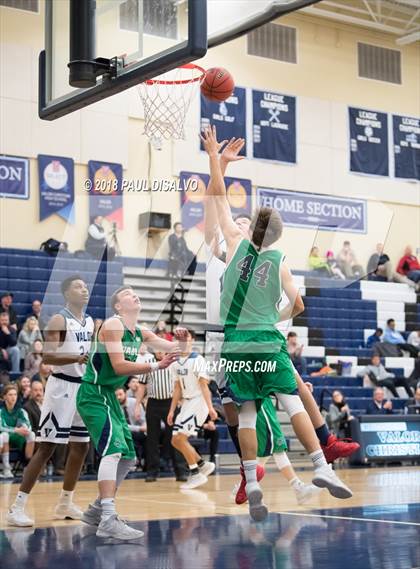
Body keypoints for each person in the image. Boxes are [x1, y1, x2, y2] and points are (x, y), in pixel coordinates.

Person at [201, 125, 352, 521]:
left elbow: (217, 197)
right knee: (290, 402)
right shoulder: (280, 259)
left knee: (246, 414)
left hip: (235, 343)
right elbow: (299, 304)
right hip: (268, 339)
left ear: (251, 229)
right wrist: (277, 315)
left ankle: (251, 480)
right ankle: (321, 466)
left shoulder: (234, 243)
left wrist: (216, 160)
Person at [77, 285, 186, 540]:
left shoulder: (139, 331)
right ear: (118, 306)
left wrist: (180, 341)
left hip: (108, 398)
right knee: (113, 451)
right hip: (94, 393)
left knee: (128, 458)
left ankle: (96, 511)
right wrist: (156, 364)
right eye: (128, 293)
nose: (134, 294)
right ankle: (107, 519)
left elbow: (170, 348)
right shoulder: (113, 326)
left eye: (136, 292)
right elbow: (118, 365)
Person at [7, 275, 94, 527]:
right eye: (78, 286)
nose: (84, 289)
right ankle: (17, 507)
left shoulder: (88, 321)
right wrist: (76, 359)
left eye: (86, 285)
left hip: (82, 389)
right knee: (46, 447)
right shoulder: (59, 319)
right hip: (61, 388)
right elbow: (48, 357)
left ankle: (65, 502)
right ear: (67, 294)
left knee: (81, 446)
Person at [167, 329, 217, 489]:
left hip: (199, 401)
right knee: (175, 441)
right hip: (186, 403)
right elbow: (177, 388)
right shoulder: (174, 363)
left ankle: (195, 474)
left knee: (181, 438)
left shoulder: (198, 359)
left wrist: (210, 408)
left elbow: (204, 385)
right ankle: (203, 465)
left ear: (192, 340)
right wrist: (171, 410)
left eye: (185, 338)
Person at [135, 349, 189, 483]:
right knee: (151, 438)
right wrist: (137, 404)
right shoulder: (148, 362)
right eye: (157, 350)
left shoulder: (175, 363)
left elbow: (181, 384)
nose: (160, 352)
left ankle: (180, 471)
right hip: (153, 403)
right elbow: (142, 386)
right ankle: (152, 472)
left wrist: (182, 400)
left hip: (170, 403)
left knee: (175, 437)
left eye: (162, 350)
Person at [0, 384, 36, 478]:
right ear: (4, 397)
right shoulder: (1, 410)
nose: (13, 397)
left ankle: (27, 466)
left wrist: (25, 429)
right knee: (4, 435)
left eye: (15, 394)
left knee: (31, 434)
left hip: (16, 436)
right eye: (10, 395)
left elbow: (28, 425)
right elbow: (1, 427)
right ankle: (6, 469)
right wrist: (16, 430)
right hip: (4, 437)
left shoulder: (21, 410)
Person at [115, 387, 147, 470]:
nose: (118, 397)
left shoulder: (135, 403)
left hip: (139, 431)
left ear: (125, 393)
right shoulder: (114, 407)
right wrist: (139, 428)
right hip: (124, 432)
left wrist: (145, 426)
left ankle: (147, 462)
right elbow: (122, 426)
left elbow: (143, 419)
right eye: (116, 395)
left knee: (150, 436)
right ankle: (132, 462)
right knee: (127, 436)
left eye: (120, 394)